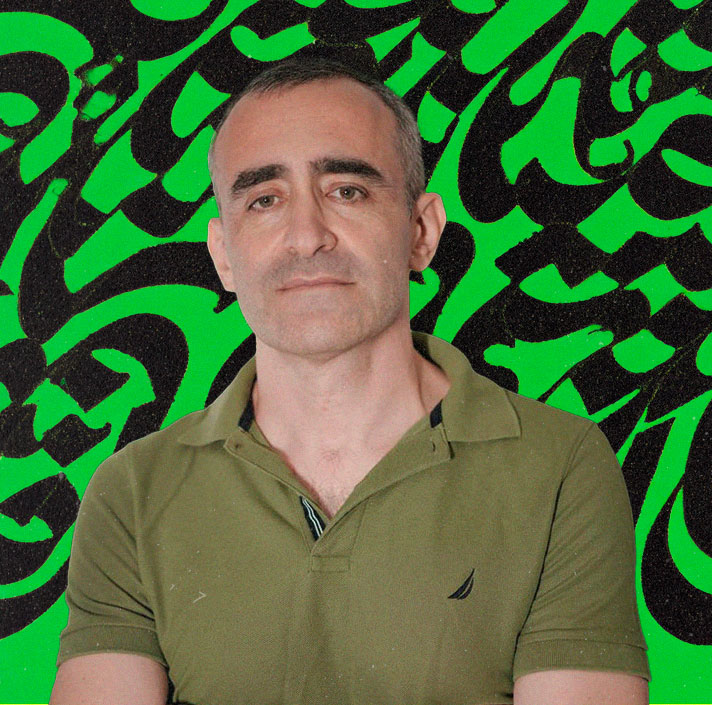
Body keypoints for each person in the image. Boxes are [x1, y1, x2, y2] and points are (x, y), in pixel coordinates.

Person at [50, 57, 650, 704]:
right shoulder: (133, 491)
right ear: (224, 254)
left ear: (421, 232)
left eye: (347, 191)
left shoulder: (560, 465)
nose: (306, 237)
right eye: (264, 200)